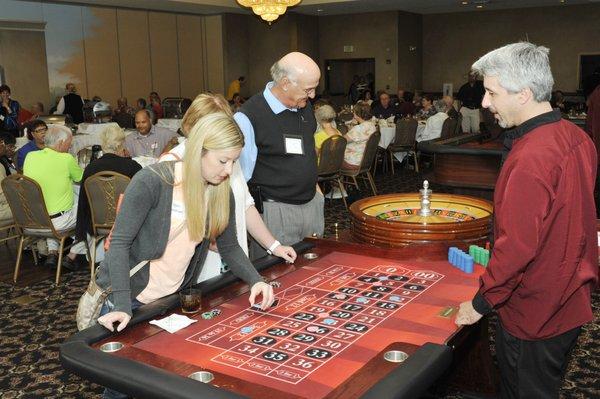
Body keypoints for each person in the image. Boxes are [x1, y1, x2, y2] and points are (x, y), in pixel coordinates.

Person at [455, 42, 598, 399]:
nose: (485, 103)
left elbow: (518, 247)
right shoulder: (578, 137)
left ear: (525, 94)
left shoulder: (531, 157)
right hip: (570, 298)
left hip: (534, 312)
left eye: (492, 93)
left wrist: (480, 304)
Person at [160, 93, 296, 282]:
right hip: (197, 273)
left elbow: (246, 206)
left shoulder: (229, 158)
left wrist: (274, 246)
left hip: (236, 260)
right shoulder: (171, 164)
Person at [234, 51, 324, 259]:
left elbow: (307, 150)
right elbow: (239, 178)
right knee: (278, 278)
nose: (312, 96)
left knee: (313, 269)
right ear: (285, 83)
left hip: (311, 203)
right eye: (308, 89)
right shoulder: (248, 117)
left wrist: (317, 192)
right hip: (276, 211)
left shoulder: (304, 106)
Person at [23, 124, 87, 270]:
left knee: (51, 205)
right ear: (60, 143)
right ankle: (72, 256)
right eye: (69, 144)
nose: (69, 148)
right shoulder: (66, 159)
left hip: (33, 220)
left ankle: (52, 251)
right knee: (90, 211)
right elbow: (84, 178)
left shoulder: (30, 157)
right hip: (58, 223)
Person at [75, 125, 142, 256]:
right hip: (127, 223)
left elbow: (84, 203)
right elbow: (141, 198)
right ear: (121, 145)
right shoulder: (132, 167)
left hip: (97, 224)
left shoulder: (90, 168)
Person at [342, 102, 376, 170]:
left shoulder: (358, 129)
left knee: (331, 157)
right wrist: (352, 126)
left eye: (354, 112)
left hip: (353, 162)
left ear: (356, 114)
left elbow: (341, 141)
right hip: (365, 161)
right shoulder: (372, 126)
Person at [0, 133, 15, 224]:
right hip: (2, 211)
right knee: (35, 205)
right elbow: (3, 196)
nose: (3, 146)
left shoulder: (3, 160)